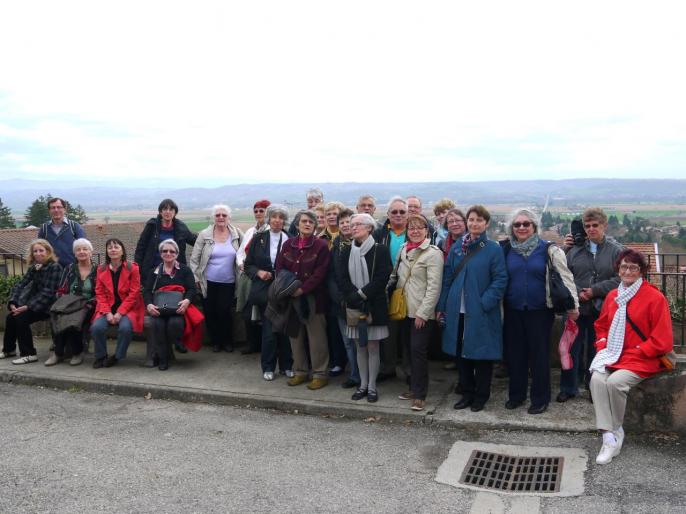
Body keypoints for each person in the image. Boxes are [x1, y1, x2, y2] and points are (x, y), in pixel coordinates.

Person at [589, 249, 673, 464]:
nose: (628, 271)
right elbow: (601, 326)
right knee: (597, 379)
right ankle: (609, 435)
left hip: (642, 357)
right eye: (624, 266)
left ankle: (616, 430)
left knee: (615, 383)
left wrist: (638, 351)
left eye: (633, 267)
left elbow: (662, 340)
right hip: (614, 354)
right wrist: (602, 345)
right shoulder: (612, 296)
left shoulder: (655, 297)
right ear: (618, 269)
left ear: (642, 271)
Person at [501, 209, 579, 414]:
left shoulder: (549, 250)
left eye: (526, 224)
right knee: (515, 355)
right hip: (513, 310)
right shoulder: (506, 249)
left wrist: (574, 306)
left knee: (539, 356)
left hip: (540, 311)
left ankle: (540, 398)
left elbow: (566, 278)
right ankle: (516, 396)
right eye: (517, 224)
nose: (522, 227)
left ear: (534, 227)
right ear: (512, 228)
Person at [436, 205, 508, 412]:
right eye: (471, 220)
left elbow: (500, 279)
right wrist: (443, 305)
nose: (474, 223)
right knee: (461, 353)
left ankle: (481, 395)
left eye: (479, 220)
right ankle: (467, 392)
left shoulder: (493, 248)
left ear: (486, 223)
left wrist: (484, 303)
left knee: (482, 355)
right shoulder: (458, 246)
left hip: (481, 311)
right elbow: (448, 276)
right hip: (457, 309)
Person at [558, 207, 623, 403]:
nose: (591, 229)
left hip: (602, 309)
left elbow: (620, 279)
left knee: (598, 351)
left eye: (595, 225)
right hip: (576, 308)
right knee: (570, 349)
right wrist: (578, 293)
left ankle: (595, 388)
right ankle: (568, 387)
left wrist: (594, 291)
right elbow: (563, 276)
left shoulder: (615, 251)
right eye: (587, 226)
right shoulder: (574, 250)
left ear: (604, 226)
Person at [338, 213, 392, 403]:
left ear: (369, 228)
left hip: (374, 305)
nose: (353, 227)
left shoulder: (381, 250)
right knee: (359, 346)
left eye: (358, 224)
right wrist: (354, 296)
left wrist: (361, 294)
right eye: (351, 225)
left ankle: (372, 387)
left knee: (373, 346)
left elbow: (382, 277)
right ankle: (362, 385)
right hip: (353, 305)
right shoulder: (345, 251)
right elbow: (342, 278)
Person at [392, 215, 444, 411]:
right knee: (408, 350)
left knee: (418, 352)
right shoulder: (403, 249)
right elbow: (395, 275)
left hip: (421, 312)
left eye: (419, 228)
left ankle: (420, 394)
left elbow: (434, 287)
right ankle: (413, 387)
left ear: (426, 230)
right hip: (404, 309)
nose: (414, 231)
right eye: (411, 228)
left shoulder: (433, 254)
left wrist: (423, 313)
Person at [276, 210, 331, 390]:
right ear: (297, 224)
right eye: (304, 221)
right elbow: (279, 267)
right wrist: (288, 289)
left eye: (311, 222)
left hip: (313, 299)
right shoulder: (288, 244)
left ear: (315, 226)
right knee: (295, 336)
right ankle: (300, 371)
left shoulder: (321, 246)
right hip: (291, 299)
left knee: (317, 339)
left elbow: (320, 273)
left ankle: (320, 374)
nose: (307, 224)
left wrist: (302, 289)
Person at [244, 205, 293, 380]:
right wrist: (258, 272)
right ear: (269, 218)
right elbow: (248, 264)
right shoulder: (259, 238)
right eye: (274, 217)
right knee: (269, 330)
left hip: (284, 289)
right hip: (264, 289)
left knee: (285, 330)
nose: (277, 220)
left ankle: (287, 365)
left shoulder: (290, 239)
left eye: (281, 218)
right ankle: (268, 367)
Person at [190, 205, 243, 353]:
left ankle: (227, 341)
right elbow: (194, 259)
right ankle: (216, 341)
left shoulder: (237, 234)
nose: (221, 218)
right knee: (210, 312)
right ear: (214, 217)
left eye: (224, 215)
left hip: (229, 281)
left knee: (224, 311)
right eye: (218, 215)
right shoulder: (204, 235)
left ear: (229, 218)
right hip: (207, 282)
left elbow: (246, 252)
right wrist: (196, 278)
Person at [1, 239, 62, 364]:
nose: (38, 253)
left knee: (21, 318)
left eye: (41, 250)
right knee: (11, 317)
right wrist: (13, 302)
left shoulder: (55, 267)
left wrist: (27, 307)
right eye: (35, 251)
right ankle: (9, 350)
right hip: (35, 304)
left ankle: (29, 354)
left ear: (48, 251)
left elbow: (48, 293)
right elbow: (20, 285)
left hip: (49, 306)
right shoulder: (34, 267)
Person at [91, 239, 145, 368]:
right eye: (110, 247)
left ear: (122, 251)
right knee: (96, 327)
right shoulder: (101, 269)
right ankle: (101, 356)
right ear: (107, 251)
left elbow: (134, 293)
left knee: (125, 328)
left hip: (128, 307)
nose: (113, 249)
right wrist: (108, 312)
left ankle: (117, 356)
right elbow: (99, 293)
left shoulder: (133, 268)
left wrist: (120, 313)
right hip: (107, 308)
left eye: (116, 247)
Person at [144, 239, 197, 370]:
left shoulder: (185, 270)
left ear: (177, 254)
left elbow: (192, 289)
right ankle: (163, 359)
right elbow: (146, 291)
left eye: (172, 251)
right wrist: (149, 305)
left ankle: (177, 342)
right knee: (158, 325)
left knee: (175, 324)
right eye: (165, 251)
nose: (168, 253)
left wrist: (187, 301)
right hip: (158, 309)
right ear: (161, 253)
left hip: (177, 309)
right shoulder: (154, 272)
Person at [373, 196, 409, 381]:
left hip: (410, 288)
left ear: (408, 214)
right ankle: (388, 368)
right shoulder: (379, 234)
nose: (398, 215)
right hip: (386, 287)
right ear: (387, 214)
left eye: (402, 212)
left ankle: (409, 370)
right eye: (394, 212)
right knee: (389, 331)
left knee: (409, 333)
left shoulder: (416, 232)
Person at [45, 238, 97, 366]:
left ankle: (77, 353)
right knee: (57, 316)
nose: (81, 252)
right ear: (74, 253)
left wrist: (89, 303)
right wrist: (62, 301)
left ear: (91, 252)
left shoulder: (99, 270)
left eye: (85, 249)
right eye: (78, 250)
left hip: (89, 304)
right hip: (69, 303)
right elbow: (61, 288)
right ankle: (58, 353)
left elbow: (101, 293)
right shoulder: (69, 268)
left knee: (74, 321)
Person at [134, 198, 197, 288]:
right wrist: (137, 269)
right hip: (152, 271)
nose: (168, 212)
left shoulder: (181, 227)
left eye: (171, 209)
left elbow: (195, 241)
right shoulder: (152, 226)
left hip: (174, 272)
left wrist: (211, 238)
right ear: (160, 212)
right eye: (165, 209)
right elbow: (141, 247)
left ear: (175, 212)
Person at [236, 199, 270, 355]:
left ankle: (265, 346)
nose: (258, 213)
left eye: (261, 210)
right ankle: (252, 344)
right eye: (255, 211)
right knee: (247, 311)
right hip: (246, 276)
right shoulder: (250, 231)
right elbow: (241, 251)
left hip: (261, 277)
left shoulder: (270, 231)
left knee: (263, 312)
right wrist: (241, 263)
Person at [327, 207, 357, 385]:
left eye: (349, 222)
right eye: (342, 222)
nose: (345, 225)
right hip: (340, 303)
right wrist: (338, 297)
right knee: (347, 341)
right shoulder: (336, 245)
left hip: (358, 301)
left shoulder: (363, 243)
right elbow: (330, 275)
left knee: (361, 342)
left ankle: (365, 377)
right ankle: (354, 375)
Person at [38, 197, 86, 266]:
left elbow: (83, 247)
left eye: (59, 207)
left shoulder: (74, 227)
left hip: (71, 270)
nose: (56, 210)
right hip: (51, 270)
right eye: (53, 208)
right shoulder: (44, 228)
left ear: (64, 209)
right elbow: (39, 249)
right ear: (49, 210)